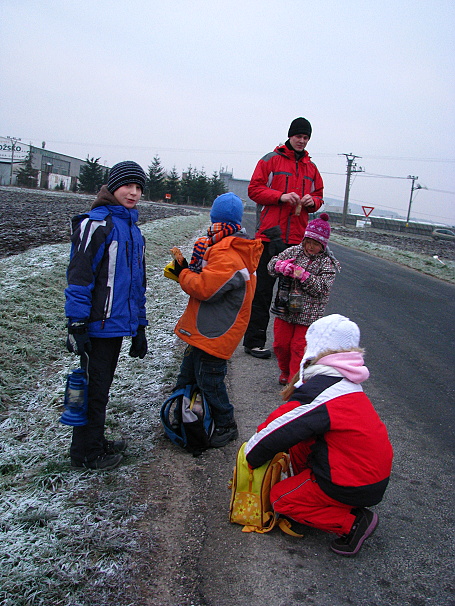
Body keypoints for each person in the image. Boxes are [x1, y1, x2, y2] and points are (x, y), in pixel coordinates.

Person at [245, 314, 394, 557]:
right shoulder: (347, 382)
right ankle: (321, 496)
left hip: (349, 484)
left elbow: (280, 428)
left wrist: (251, 456)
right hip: (368, 477)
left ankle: (353, 522)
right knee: (304, 439)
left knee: (281, 499)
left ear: (316, 348)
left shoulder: (323, 393)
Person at [65, 161, 149, 471]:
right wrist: (75, 322)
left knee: (101, 387)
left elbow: (137, 284)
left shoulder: (132, 229)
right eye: (128, 185)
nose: (134, 192)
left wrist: (139, 326)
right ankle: (85, 453)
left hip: (115, 325)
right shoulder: (96, 224)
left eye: (139, 187)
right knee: (92, 389)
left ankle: (94, 442)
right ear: (113, 187)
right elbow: (80, 277)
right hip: (95, 324)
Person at [169, 192, 262, 448]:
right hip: (207, 328)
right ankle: (179, 414)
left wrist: (183, 273)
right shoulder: (223, 247)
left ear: (217, 221)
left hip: (216, 331)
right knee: (188, 374)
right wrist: (188, 270)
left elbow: (204, 288)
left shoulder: (229, 254)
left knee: (210, 381)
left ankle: (225, 423)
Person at [243, 117, 324, 359]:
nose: (302, 140)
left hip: (299, 240)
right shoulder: (270, 160)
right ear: (290, 136)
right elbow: (254, 190)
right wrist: (280, 196)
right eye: (298, 136)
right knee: (263, 292)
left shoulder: (312, 168)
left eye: (306, 137)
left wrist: (314, 202)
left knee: (292, 296)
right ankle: (254, 342)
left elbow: (319, 195)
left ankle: (288, 348)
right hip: (270, 237)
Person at [268, 212, 340, 385]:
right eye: (308, 241)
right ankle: (285, 370)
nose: (310, 246)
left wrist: (304, 276)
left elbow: (323, 288)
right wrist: (280, 266)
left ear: (322, 245)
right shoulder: (294, 251)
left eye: (315, 244)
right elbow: (271, 265)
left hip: (308, 315)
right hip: (285, 308)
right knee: (280, 344)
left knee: (298, 348)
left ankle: (295, 381)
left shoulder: (327, 263)